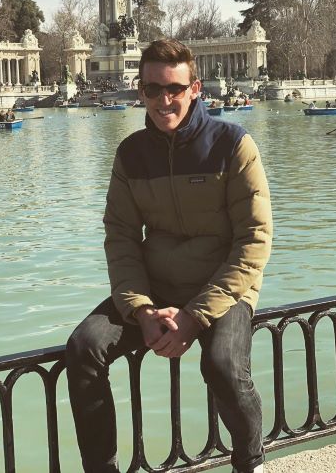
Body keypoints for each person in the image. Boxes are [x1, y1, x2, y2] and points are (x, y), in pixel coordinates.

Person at [66, 39, 273, 473]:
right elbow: (120, 237)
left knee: (222, 365)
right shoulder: (130, 153)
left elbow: (253, 241)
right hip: (156, 282)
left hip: (223, 285)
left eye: (175, 88)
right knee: (84, 346)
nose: (165, 100)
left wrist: (195, 316)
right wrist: (139, 309)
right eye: (154, 89)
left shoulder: (234, 144)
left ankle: (249, 462)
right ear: (141, 91)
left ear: (195, 88)